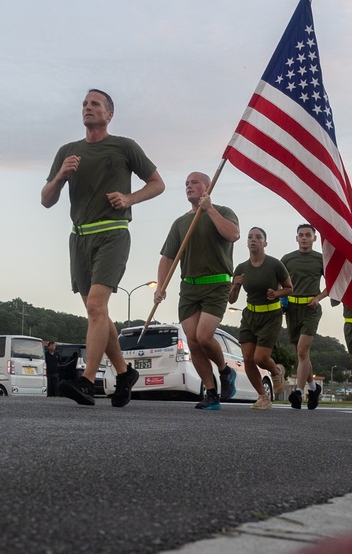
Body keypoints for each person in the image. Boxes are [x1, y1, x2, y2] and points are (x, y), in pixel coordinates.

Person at [41, 88, 165, 407]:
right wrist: (60, 176)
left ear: (109, 114)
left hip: (113, 232)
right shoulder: (68, 151)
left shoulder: (124, 146)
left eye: (95, 104)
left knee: (96, 307)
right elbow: (46, 200)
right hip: (79, 237)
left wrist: (129, 198)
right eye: (84, 104)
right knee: (97, 311)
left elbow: (157, 183)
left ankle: (87, 381)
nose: (87, 108)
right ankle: (124, 373)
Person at [153, 171, 240, 411]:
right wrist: (160, 287)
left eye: (194, 183)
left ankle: (225, 371)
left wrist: (209, 209)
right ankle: (211, 393)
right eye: (186, 184)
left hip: (217, 283)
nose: (189, 187)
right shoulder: (180, 222)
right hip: (189, 287)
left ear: (208, 187)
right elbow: (167, 258)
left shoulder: (223, 211)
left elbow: (233, 234)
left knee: (204, 336)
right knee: (193, 342)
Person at [229, 227, 292, 410]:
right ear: (247, 242)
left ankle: (276, 371)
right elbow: (231, 299)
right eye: (250, 237)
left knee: (260, 358)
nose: (253, 240)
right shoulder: (241, 268)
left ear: (265, 243)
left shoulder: (274, 265)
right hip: (250, 315)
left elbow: (289, 287)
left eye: (258, 237)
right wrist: (235, 285)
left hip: (271, 315)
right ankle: (263, 397)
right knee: (248, 358)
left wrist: (277, 293)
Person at [281, 224, 328, 410]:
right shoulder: (287, 259)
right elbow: (279, 281)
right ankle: (314, 388)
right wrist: (281, 299)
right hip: (292, 309)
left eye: (308, 235)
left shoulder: (320, 260)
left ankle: (299, 392)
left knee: (302, 350)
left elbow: (333, 284)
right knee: (302, 354)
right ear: (296, 238)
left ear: (314, 238)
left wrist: (318, 298)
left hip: (311, 308)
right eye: (301, 235)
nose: (304, 238)